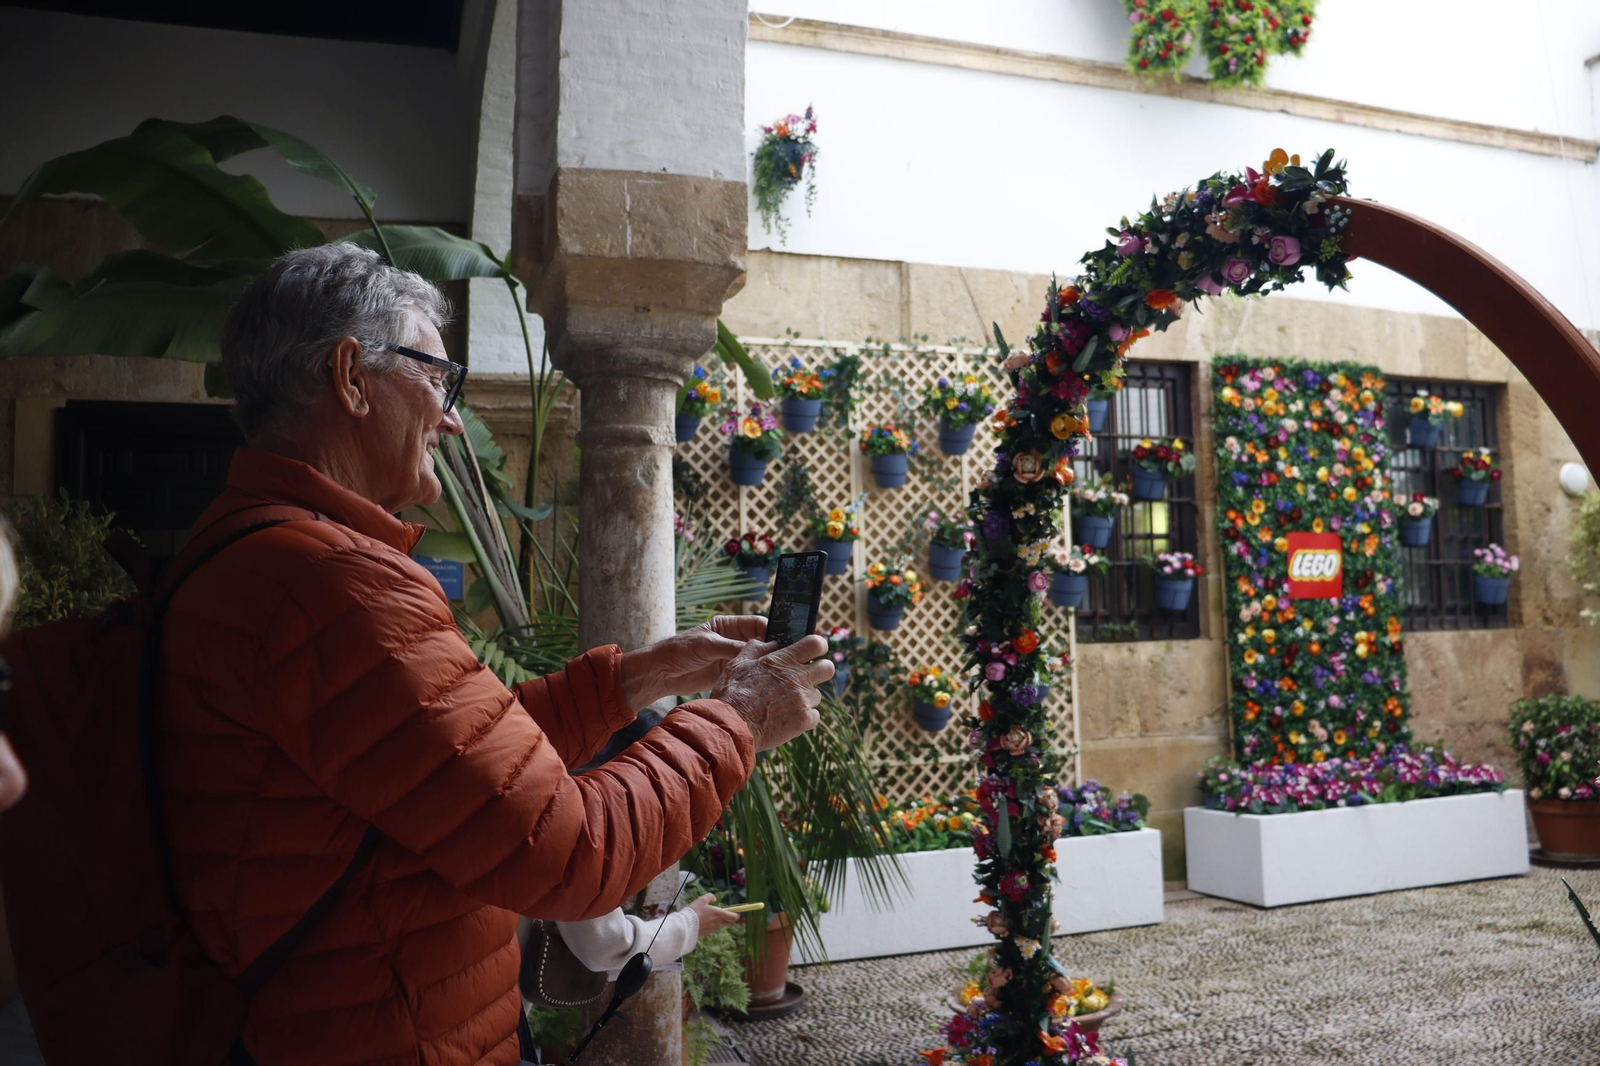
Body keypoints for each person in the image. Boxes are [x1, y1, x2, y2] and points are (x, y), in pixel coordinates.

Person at [153, 243, 830, 1066]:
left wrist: (642, 676)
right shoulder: (335, 586)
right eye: (437, 380)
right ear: (351, 377)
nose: (449, 417)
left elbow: (458, 759)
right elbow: (568, 851)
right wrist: (738, 720)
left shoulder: (252, 547)